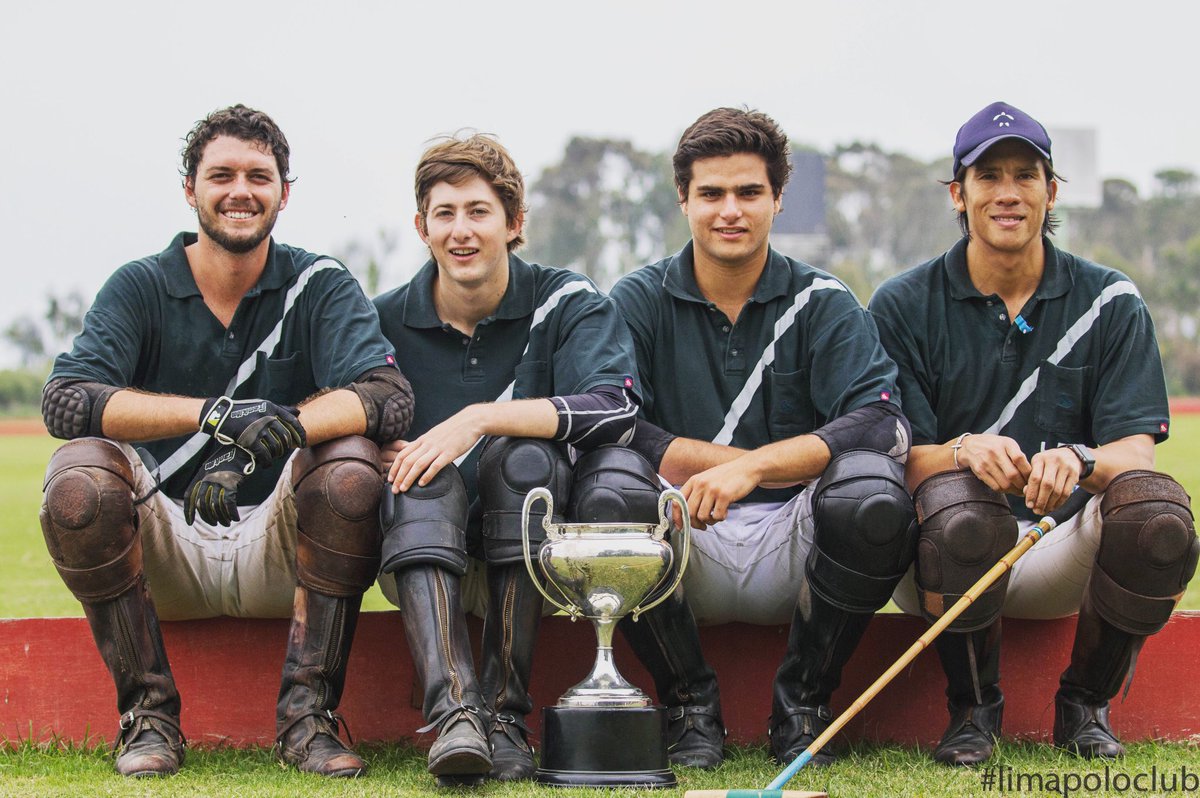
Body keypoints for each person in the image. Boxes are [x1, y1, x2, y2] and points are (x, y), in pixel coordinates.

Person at [38, 104, 413, 779]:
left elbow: (387, 397)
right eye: (221, 175)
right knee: (77, 479)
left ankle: (308, 719)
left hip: (284, 549)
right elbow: (68, 400)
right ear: (190, 189)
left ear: (284, 192)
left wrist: (275, 434)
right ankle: (147, 716)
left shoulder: (319, 284)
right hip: (164, 551)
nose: (240, 190)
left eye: (259, 176)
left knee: (350, 469)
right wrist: (213, 415)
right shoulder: (140, 285)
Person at [372, 133, 724, 785]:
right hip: (425, 556)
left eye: (479, 211)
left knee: (523, 455)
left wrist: (479, 418)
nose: (461, 230)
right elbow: (349, 403)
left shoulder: (566, 300)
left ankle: (504, 718)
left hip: (539, 561)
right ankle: (455, 717)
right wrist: (379, 443)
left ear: (515, 223)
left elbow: (615, 408)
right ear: (421, 227)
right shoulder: (383, 317)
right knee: (416, 476)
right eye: (444, 214)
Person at [869, 101, 1198, 766]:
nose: (1009, 193)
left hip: (1059, 546)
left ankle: (1085, 706)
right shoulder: (902, 303)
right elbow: (892, 460)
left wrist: (1080, 459)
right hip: (942, 554)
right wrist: (962, 449)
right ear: (958, 194)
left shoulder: (1110, 300)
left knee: (1159, 512)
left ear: (1052, 192)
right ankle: (973, 712)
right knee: (962, 507)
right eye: (989, 176)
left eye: (1026, 175)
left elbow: (1136, 453)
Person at [610, 107, 917, 767]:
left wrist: (753, 472)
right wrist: (727, 466)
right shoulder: (635, 299)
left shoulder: (825, 300)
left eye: (749, 193)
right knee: (606, 483)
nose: (730, 210)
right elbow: (613, 421)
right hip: (679, 539)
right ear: (683, 201)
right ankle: (689, 707)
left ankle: (802, 707)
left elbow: (881, 422)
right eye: (711, 194)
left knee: (872, 489)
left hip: (799, 543)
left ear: (778, 198)